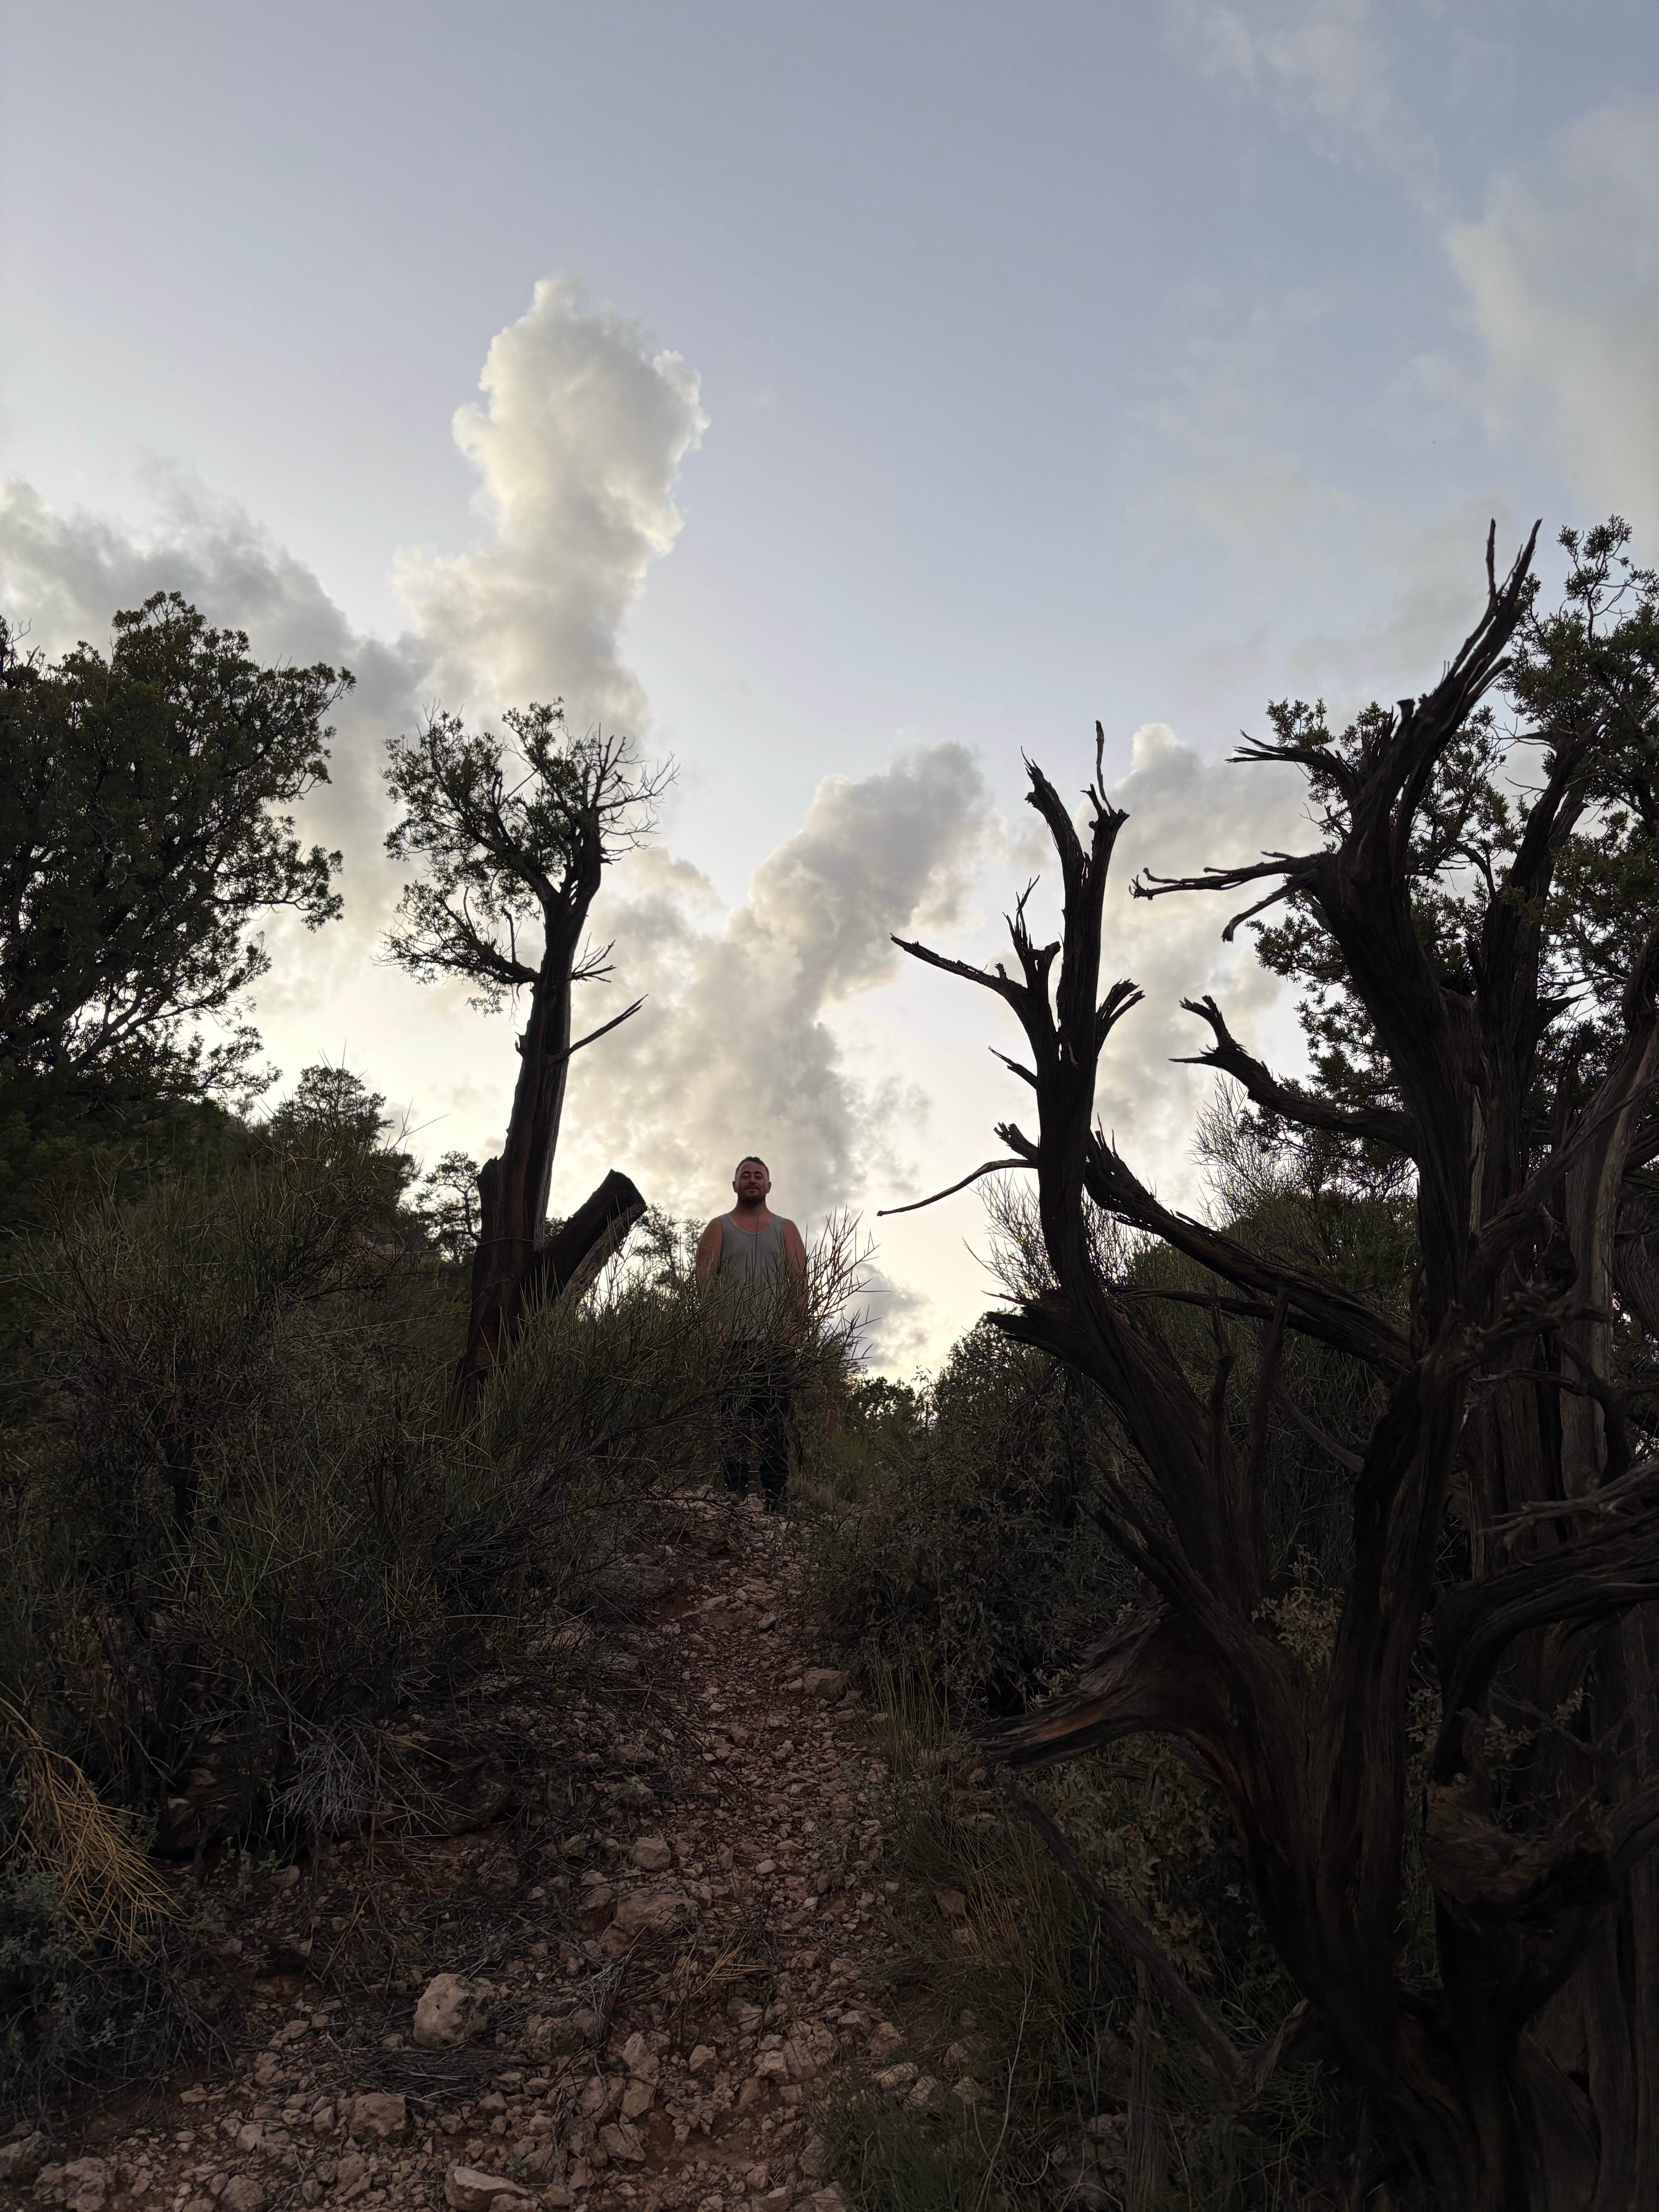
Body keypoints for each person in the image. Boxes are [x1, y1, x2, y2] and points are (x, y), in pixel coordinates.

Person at [696, 1156, 807, 1510]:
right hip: (732, 1343)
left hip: (775, 1344)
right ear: (735, 1185)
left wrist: (795, 1327)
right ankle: (736, 1493)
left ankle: (776, 1498)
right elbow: (704, 1286)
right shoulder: (718, 1228)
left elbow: (799, 1283)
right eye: (745, 1175)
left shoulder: (786, 1228)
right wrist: (713, 1327)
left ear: (769, 1186)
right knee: (733, 1420)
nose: (752, 1180)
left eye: (759, 1175)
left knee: (775, 1422)